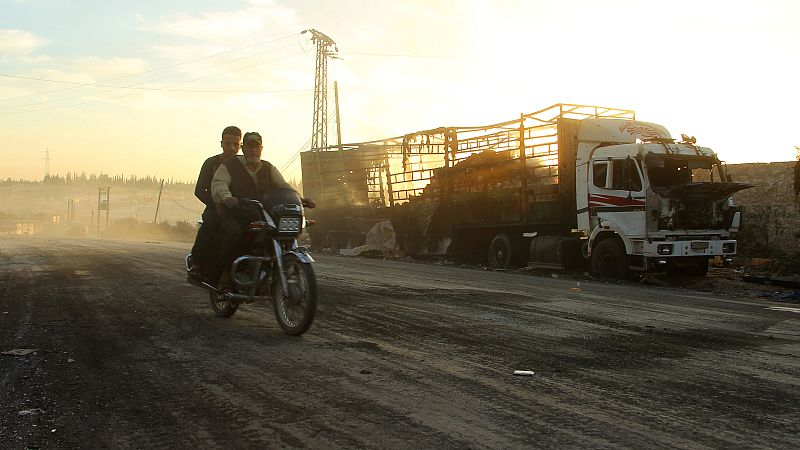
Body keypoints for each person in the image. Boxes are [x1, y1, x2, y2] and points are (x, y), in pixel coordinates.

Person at [210, 131, 314, 289]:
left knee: (277, 235)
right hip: (237, 213)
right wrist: (227, 197)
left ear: (261, 148)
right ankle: (224, 274)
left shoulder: (268, 167)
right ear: (243, 148)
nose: (254, 150)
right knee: (234, 233)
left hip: (263, 214)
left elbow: (283, 185)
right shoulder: (230, 165)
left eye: (257, 147)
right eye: (250, 146)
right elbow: (219, 183)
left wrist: (300, 198)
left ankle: (271, 271)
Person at [187, 126, 242, 283]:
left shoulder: (242, 164)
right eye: (228, 143)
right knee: (210, 223)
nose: (231, 148)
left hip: (239, 211)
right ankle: (196, 263)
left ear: (240, 145)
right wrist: (214, 204)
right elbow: (199, 190)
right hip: (215, 209)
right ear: (221, 143)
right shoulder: (211, 162)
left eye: (235, 144)